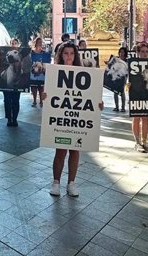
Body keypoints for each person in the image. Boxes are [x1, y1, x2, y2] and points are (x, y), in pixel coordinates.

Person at [40, 42, 104, 197]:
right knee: (60, 151)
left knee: (75, 151)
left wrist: (98, 105)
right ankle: (56, 183)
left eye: (71, 53)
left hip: (78, 121)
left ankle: (71, 183)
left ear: (76, 56)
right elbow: (48, 96)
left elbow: (92, 96)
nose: (69, 56)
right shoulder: (55, 73)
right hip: (62, 120)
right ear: (61, 55)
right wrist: (44, 98)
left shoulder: (85, 73)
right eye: (65, 53)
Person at [131, 42, 148, 153]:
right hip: (135, 93)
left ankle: (144, 142)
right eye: (142, 51)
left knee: (146, 118)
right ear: (138, 52)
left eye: (146, 52)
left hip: (147, 94)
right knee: (136, 117)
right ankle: (137, 142)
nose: (144, 54)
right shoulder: (132, 64)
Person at [3, 38, 22, 126]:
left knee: (16, 101)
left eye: (15, 43)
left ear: (18, 44)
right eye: (12, 43)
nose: (13, 44)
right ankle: (9, 119)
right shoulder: (5, 72)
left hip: (17, 86)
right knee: (7, 100)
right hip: (6, 85)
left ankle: (14, 119)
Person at [30, 37, 46, 108]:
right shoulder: (32, 53)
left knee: (41, 88)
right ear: (35, 43)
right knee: (33, 87)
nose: (40, 43)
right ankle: (34, 101)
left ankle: (41, 101)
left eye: (41, 42)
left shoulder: (44, 53)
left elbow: (46, 63)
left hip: (41, 74)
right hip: (33, 73)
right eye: (38, 42)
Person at [113, 47, 128, 112]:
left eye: (123, 52)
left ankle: (123, 107)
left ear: (125, 53)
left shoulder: (127, 61)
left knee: (122, 92)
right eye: (120, 52)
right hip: (116, 77)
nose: (121, 53)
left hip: (123, 78)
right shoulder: (116, 60)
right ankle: (116, 107)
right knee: (115, 92)